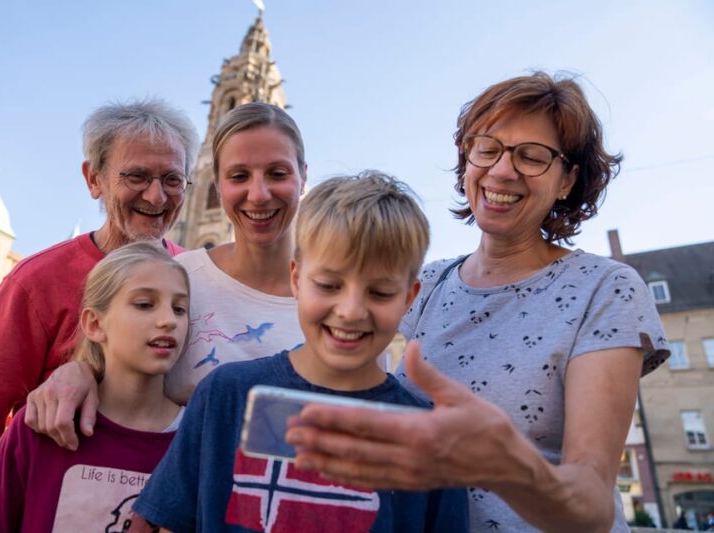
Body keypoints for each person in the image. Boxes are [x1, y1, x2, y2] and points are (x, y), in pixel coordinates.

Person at [285, 72, 669, 532]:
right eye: (487, 149)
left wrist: (509, 467)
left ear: (566, 180)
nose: (502, 171)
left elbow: (591, 503)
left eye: (532, 157)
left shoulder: (604, 288)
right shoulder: (425, 283)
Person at [133, 172, 469, 532]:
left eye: (380, 293)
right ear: (296, 279)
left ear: (408, 298)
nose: (351, 311)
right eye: (328, 285)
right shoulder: (226, 395)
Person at [0, 98, 199, 532]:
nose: (156, 195)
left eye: (172, 180)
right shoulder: (35, 283)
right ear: (94, 179)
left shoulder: (200, 278)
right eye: (136, 176)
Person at [25, 102, 306, 443]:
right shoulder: (174, 279)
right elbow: (116, 365)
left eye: (278, 173)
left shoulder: (340, 296)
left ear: (303, 176)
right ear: (214, 183)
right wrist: (80, 371)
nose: (259, 195)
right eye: (239, 176)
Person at [0, 242, 189, 531]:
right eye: (144, 304)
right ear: (94, 324)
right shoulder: (40, 427)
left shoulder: (196, 439)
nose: (168, 320)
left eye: (180, 309)